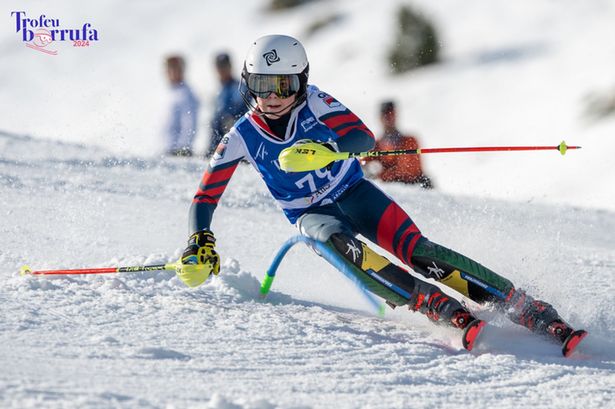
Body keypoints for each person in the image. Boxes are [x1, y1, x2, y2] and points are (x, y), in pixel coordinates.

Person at [177, 35, 586, 355]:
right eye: (262, 86)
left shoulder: (315, 102)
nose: (272, 97)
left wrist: (330, 149)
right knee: (338, 244)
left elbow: (361, 135)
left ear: (300, 82)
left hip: (354, 191)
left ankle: (525, 307)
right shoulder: (241, 135)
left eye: (283, 85)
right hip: (313, 213)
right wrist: (200, 239)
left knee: (419, 251)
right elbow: (205, 196)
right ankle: (430, 304)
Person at [363, 100, 433, 188]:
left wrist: (381, 173)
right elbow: (362, 167)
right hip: (388, 190)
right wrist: (369, 169)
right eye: (385, 115)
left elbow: (409, 172)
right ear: (380, 118)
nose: (389, 119)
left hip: (415, 187)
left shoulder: (409, 141)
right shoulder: (374, 145)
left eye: (391, 114)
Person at [206, 52, 248, 158]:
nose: (222, 70)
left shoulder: (238, 87)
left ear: (230, 66)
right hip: (216, 142)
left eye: (224, 66)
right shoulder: (218, 88)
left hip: (234, 140)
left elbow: (239, 111)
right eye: (219, 67)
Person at [163, 55, 199, 157]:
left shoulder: (186, 94)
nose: (171, 72)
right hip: (165, 151)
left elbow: (190, 123)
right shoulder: (171, 92)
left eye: (175, 68)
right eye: (169, 68)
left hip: (176, 152)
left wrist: (183, 148)